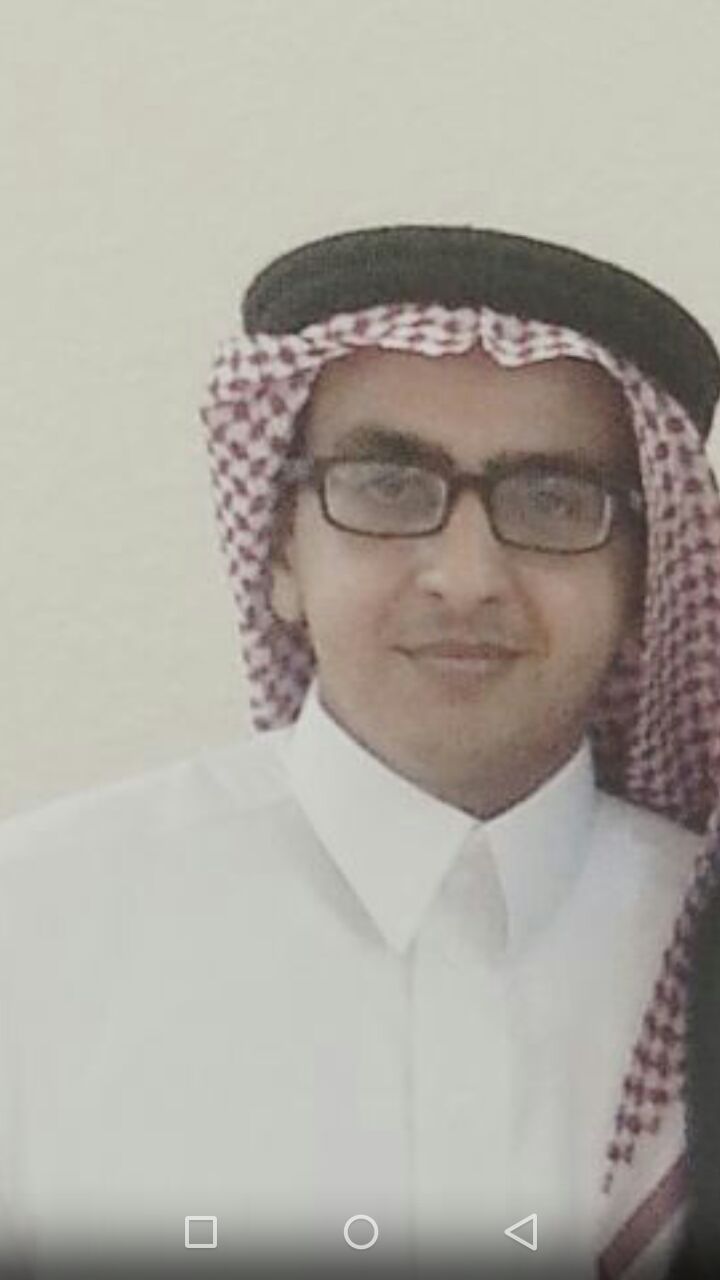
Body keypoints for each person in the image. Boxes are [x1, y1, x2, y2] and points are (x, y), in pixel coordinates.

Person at [0, 226, 718, 1280]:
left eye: (554, 501)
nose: (466, 575)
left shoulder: (696, 939)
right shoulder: (35, 931)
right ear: (282, 553)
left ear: (644, 584)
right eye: (387, 485)